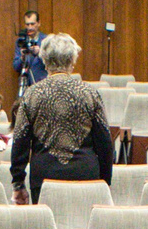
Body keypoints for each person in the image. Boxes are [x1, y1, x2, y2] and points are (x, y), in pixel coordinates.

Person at [9, 33, 113, 201]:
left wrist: (18, 183)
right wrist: (105, 181)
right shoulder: (89, 93)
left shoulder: (32, 94)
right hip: (86, 175)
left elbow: (20, 141)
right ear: (73, 61)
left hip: (44, 177)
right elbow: (104, 142)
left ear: (44, 60)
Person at [13, 10, 46, 89]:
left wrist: (39, 53)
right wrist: (22, 58)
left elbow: (51, 64)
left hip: (42, 85)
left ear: (38, 23)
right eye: (27, 24)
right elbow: (16, 66)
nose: (30, 27)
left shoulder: (46, 40)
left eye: (32, 24)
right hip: (26, 86)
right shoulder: (21, 41)